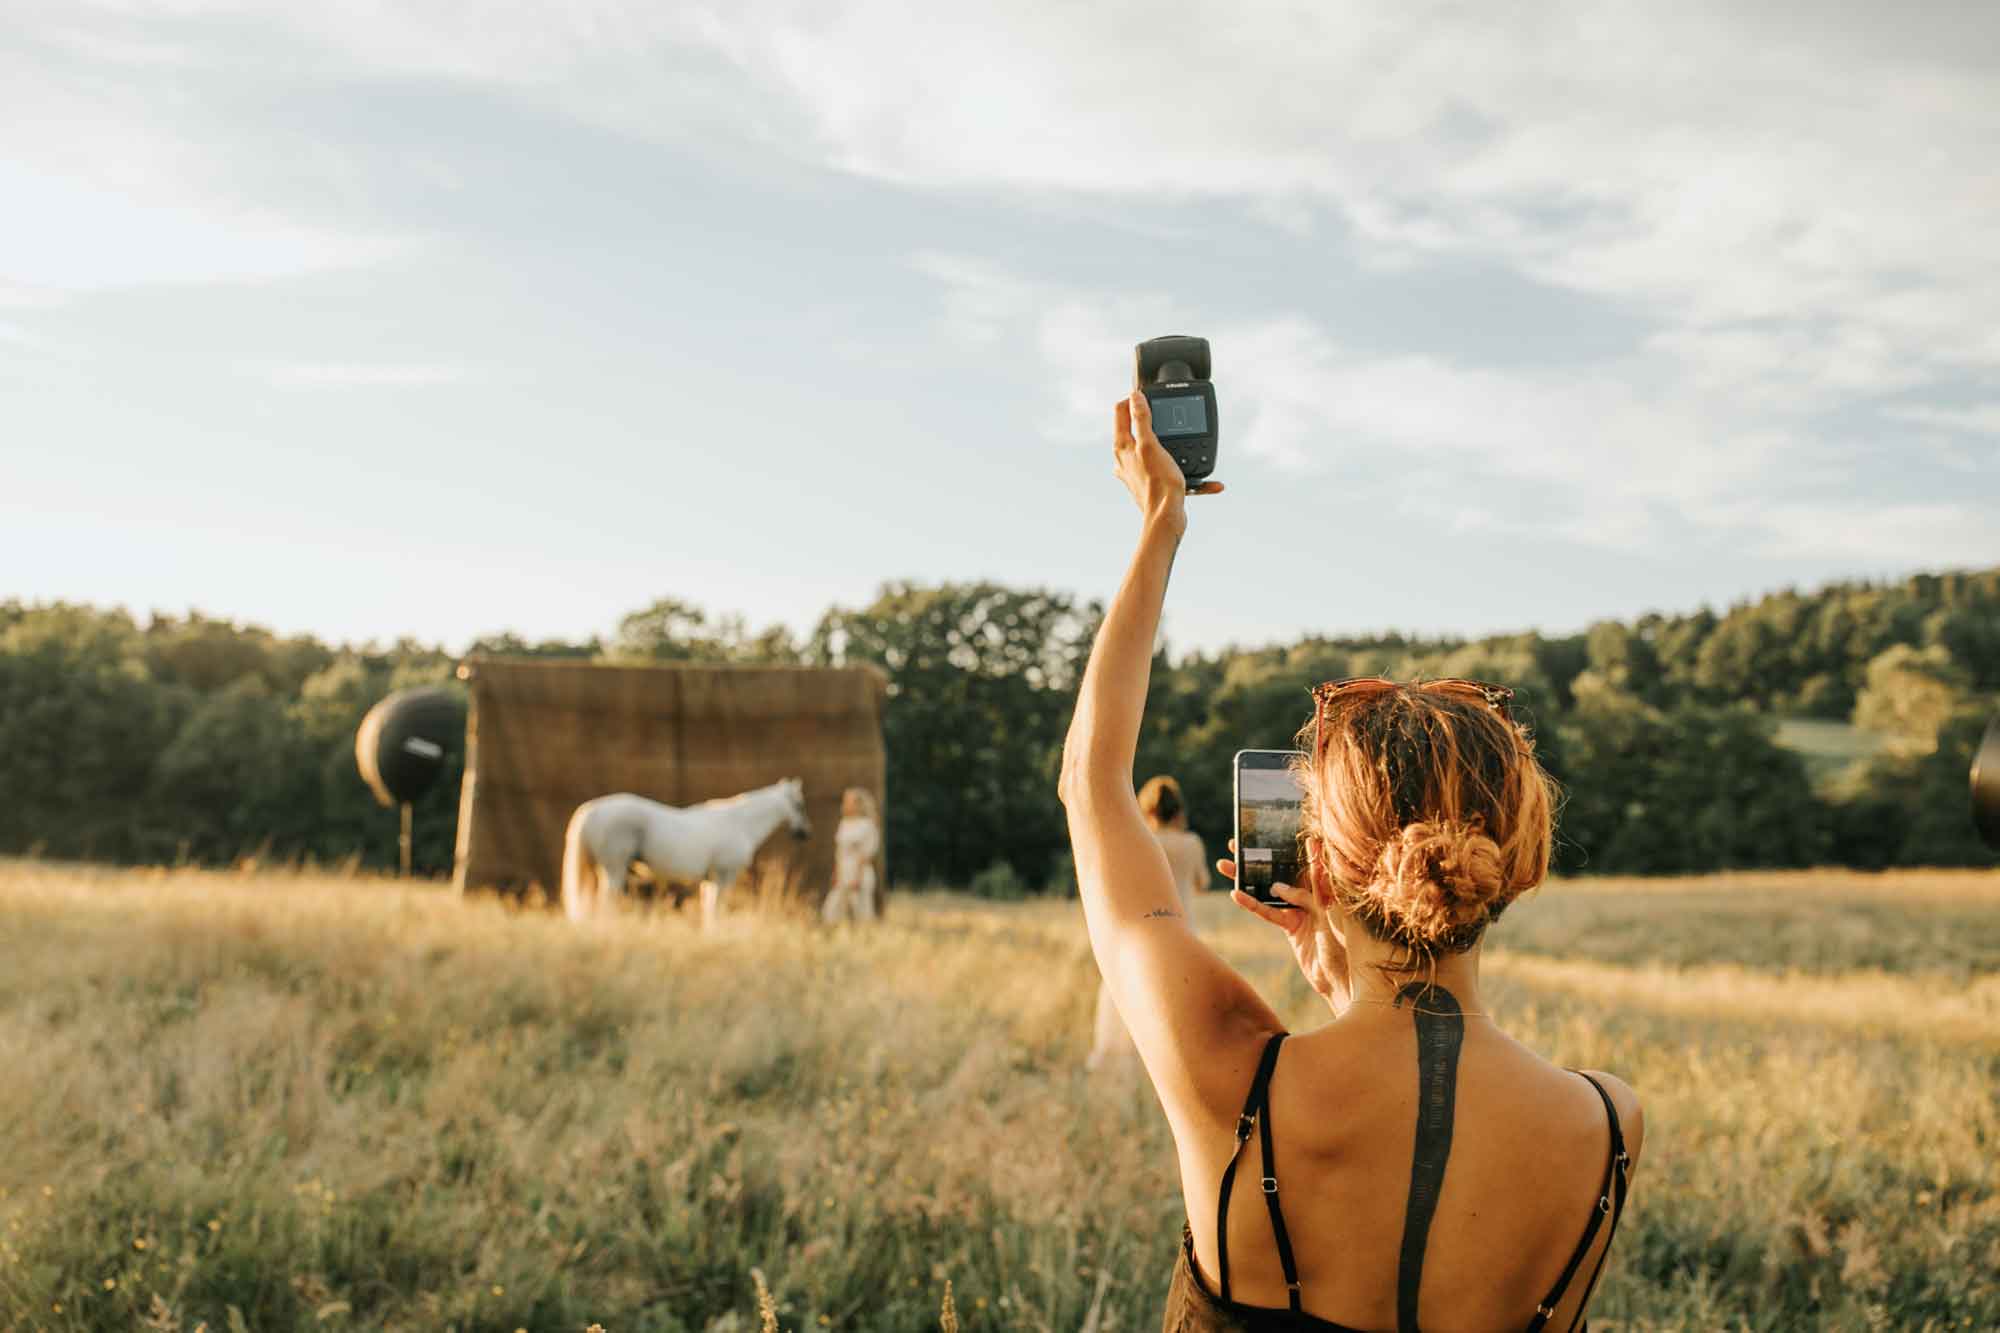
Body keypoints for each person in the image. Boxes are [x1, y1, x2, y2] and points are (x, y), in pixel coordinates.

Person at [1058, 390, 1643, 1331]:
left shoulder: (1231, 1076)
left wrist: (1161, 523)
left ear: (1317, 865)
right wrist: (1346, 990)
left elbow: (1092, 783)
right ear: (1520, 859)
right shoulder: (1607, 1124)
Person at [1087, 775, 1212, 1073]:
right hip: (1183, 931)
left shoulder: (1141, 840)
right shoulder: (1191, 843)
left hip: (1144, 932)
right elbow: (1202, 883)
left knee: (1134, 1004)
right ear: (1177, 809)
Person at [820, 787, 882, 924]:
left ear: (858, 804)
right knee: (832, 909)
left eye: (849, 801)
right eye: (845, 801)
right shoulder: (844, 824)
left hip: (859, 873)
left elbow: (866, 853)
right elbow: (839, 851)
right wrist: (836, 873)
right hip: (844, 871)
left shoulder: (867, 825)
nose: (846, 804)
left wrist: (858, 877)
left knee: (861, 911)